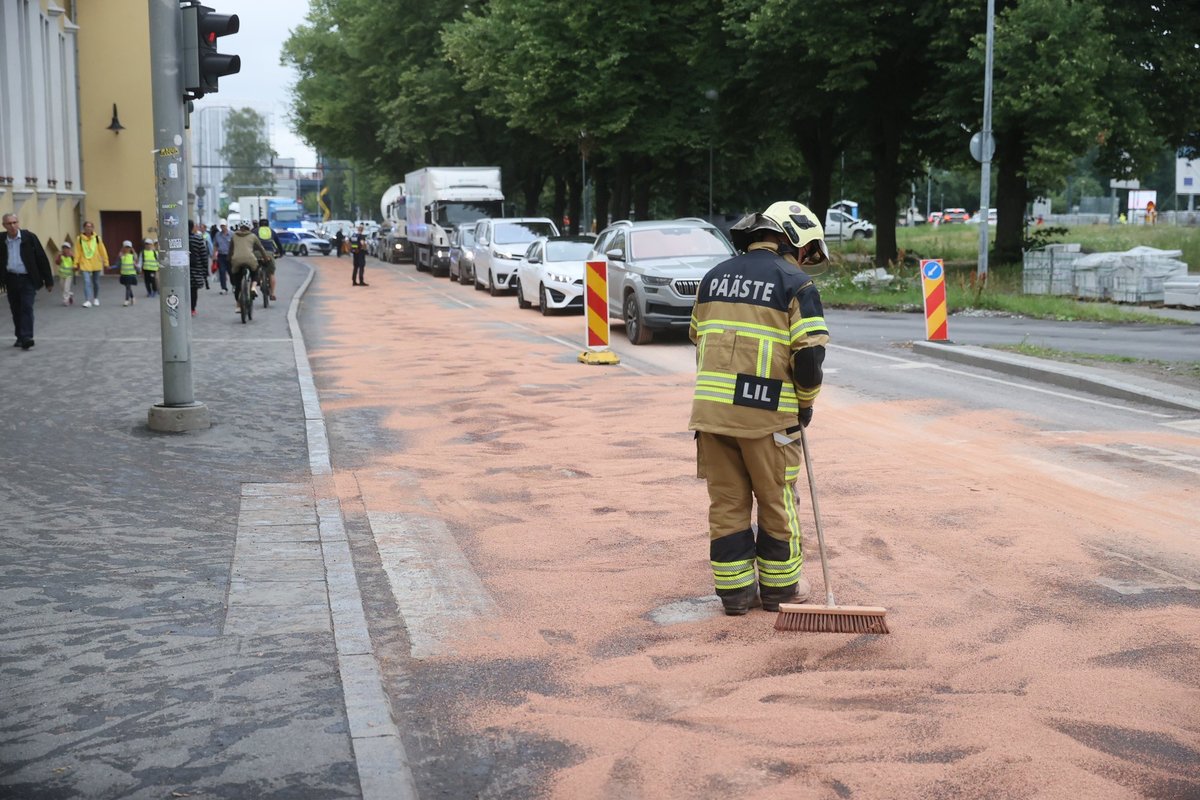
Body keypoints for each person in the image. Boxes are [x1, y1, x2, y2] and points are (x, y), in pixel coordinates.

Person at [688, 201, 830, 616]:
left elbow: (698, 336)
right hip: (769, 419)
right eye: (806, 251)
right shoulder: (796, 283)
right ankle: (780, 591)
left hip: (711, 416)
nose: (804, 261)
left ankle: (734, 595)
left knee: (727, 504)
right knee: (776, 502)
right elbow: (809, 358)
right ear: (793, 240)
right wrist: (804, 406)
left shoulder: (713, 278)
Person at [1, 212, 54, 350]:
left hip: (27, 279)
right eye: (9, 223)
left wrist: (48, 280)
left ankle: (26, 337)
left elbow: (41, 258)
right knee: (15, 309)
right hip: (10, 279)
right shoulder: (2, 240)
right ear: (4, 225)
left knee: (26, 307)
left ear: (18, 223)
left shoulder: (29, 237)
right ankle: (20, 336)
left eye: (14, 222)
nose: (12, 226)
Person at [229, 220, 269, 307]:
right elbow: (261, 248)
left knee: (237, 283)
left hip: (237, 260)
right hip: (250, 259)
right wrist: (266, 259)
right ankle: (253, 287)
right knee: (255, 272)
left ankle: (239, 305)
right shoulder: (253, 236)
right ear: (249, 228)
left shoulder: (234, 236)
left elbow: (230, 250)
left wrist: (229, 259)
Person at [76, 220, 108, 308]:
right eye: (87, 226)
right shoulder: (79, 239)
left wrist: (106, 261)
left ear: (93, 228)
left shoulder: (97, 238)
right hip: (85, 262)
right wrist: (75, 263)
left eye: (90, 226)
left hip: (96, 262)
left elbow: (102, 250)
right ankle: (87, 300)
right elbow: (77, 251)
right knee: (86, 281)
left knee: (96, 282)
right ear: (84, 228)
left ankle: (96, 298)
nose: (88, 228)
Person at [255, 218, 283, 301]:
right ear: (268, 225)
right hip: (269, 254)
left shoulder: (255, 231)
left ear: (259, 224)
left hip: (257, 253)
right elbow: (278, 244)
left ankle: (259, 280)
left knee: (255, 269)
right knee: (271, 273)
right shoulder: (271, 231)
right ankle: (273, 294)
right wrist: (281, 253)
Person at [188, 221, 209, 316]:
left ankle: (184, 307)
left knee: (183, 289)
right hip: (195, 270)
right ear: (193, 228)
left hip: (183, 270)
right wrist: (205, 268)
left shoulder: (180, 239)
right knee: (193, 290)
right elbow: (203, 255)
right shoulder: (198, 239)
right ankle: (192, 309)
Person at [117, 240, 139, 306]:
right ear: (123, 248)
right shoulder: (121, 256)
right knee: (128, 286)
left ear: (131, 248)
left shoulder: (133, 256)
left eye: (128, 247)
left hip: (131, 274)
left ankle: (126, 300)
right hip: (124, 274)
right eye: (126, 247)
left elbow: (136, 261)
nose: (127, 249)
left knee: (128, 287)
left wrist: (135, 264)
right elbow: (119, 264)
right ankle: (132, 298)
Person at [214, 221, 232, 294]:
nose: (222, 227)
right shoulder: (218, 235)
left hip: (230, 255)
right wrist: (214, 255)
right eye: (221, 226)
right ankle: (224, 288)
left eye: (224, 226)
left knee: (231, 272)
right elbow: (215, 245)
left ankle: (234, 285)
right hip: (221, 255)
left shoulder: (232, 234)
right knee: (222, 271)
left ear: (226, 226)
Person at [56, 241, 77, 305]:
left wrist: (75, 269)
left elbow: (75, 264)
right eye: (64, 248)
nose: (65, 249)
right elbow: (57, 262)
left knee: (66, 288)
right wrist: (59, 257)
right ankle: (70, 295)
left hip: (69, 275)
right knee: (63, 288)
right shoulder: (60, 255)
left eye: (67, 248)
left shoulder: (72, 256)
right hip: (62, 274)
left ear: (69, 249)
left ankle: (66, 301)